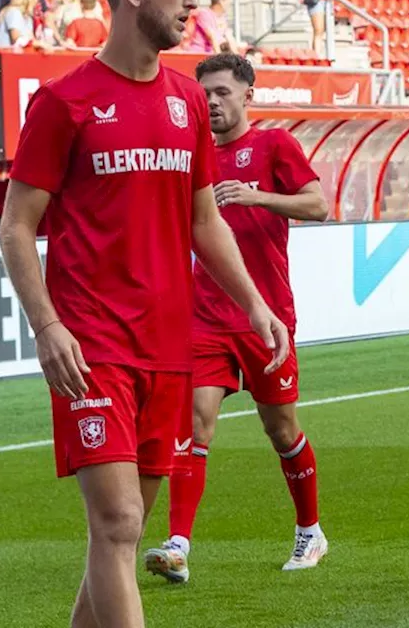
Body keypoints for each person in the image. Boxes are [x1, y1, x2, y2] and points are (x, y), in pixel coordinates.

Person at [0, 0, 290, 628]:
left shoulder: (186, 102)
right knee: (122, 522)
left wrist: (253, 303)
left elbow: (203, 222)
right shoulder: (64, 103)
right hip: (92, 347)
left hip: (169, 345)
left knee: (118, 539)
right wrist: (48, 327)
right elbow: (15, 228)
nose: (193, 1)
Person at [144, 52, 330, 584]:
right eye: (205, 95)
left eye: (223, 92)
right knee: (195, 422)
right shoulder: (192, 155)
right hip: (204, 318)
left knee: (281, 429)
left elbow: (318, 205)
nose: (213, 103)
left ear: (248, 94)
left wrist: (259, 197)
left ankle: (309, 529)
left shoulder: (274, 145)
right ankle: (179, 544)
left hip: (267, 317)